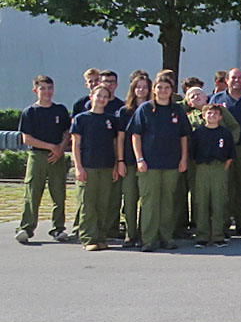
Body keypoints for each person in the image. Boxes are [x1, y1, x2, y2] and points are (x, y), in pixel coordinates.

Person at [130, 74, 191, 252]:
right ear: (154, 90)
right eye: (160, 87)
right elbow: (136, 135)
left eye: (167, 88)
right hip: (149, 164)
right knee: (149, 202)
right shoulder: (145, 109)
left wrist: (183, 159)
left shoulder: (177, 110)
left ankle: (166, 237)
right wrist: (139, 159)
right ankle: (148, 240)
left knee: (168, 202)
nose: (163, 91)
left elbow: (184, 136)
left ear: (172, 90)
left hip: (172, 163)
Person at [15, 75, 71, 244]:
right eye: (43, 88)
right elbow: (27, 138)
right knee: (32, 193)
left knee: (58, 194)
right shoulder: (30, 112)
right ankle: (26, 227)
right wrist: (50, 146)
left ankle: (58, 228)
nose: (47, 92)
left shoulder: (60, 110)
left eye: (49, 88)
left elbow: (67, 132)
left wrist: (60, 148)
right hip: (37, 156)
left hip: (57, 157)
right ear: (35, 90)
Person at [210, 68, 241, 236]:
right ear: (227, 80)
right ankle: (224, 224)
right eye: (234, 77)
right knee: (224, 186)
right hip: (222, 149)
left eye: (240, 77)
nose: (237, 80)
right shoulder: (217, 99)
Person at [70, 85, 119, 251]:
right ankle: (88, 238)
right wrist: (78, 167)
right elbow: (75, 145)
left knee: (103, 204)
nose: (102, 99)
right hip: (87, 166)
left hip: (106, 166)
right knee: (88, 204)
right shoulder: (81, 119)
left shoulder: (111, 120)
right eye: (99, 96)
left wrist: (115, 165)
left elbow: (114, 144)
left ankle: (101, 237)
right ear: (91, 97)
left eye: (105, 96)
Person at [190, 104, 235, 247]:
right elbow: (193, 155)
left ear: (220, 117)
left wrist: (222, 169)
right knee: (201, 202)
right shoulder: (198, 133)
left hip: (219, 168)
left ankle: (218, 236)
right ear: (203, 116)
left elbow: (230, 155)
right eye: (209, 113)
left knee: (219, 202)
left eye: (216, 114)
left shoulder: (225, 133)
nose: (212, 116)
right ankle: (202, 236)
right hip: (202, 168)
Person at [116, 75, 151, 247]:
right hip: (129, 160)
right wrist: (120, 160)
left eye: (145, 87)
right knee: (129, 199)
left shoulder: (153, 110)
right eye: (138, 87)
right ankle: (130, 234)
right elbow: (121, 138)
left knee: (146, 199)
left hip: (149, 161)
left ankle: (145, 233)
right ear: (133, 89)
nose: (141, 90)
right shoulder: (125, 111)